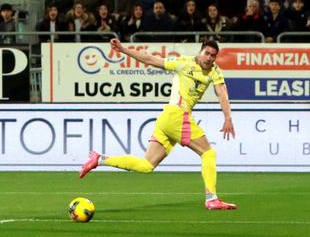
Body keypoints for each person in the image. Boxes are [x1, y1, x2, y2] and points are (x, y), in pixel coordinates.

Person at [79, 39, 237, 210]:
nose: (209, 58)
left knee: (147, 165)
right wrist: (123, 49)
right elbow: (150, 59)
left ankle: (99, 159)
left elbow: (222, 94)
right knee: (208, 153)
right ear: (200, 52)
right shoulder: (183, 63)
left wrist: (228, 117)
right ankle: (211, 198)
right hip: (177, 114)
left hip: (167, 119)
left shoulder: (215, 71)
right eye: (206, 53)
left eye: (213, 56)